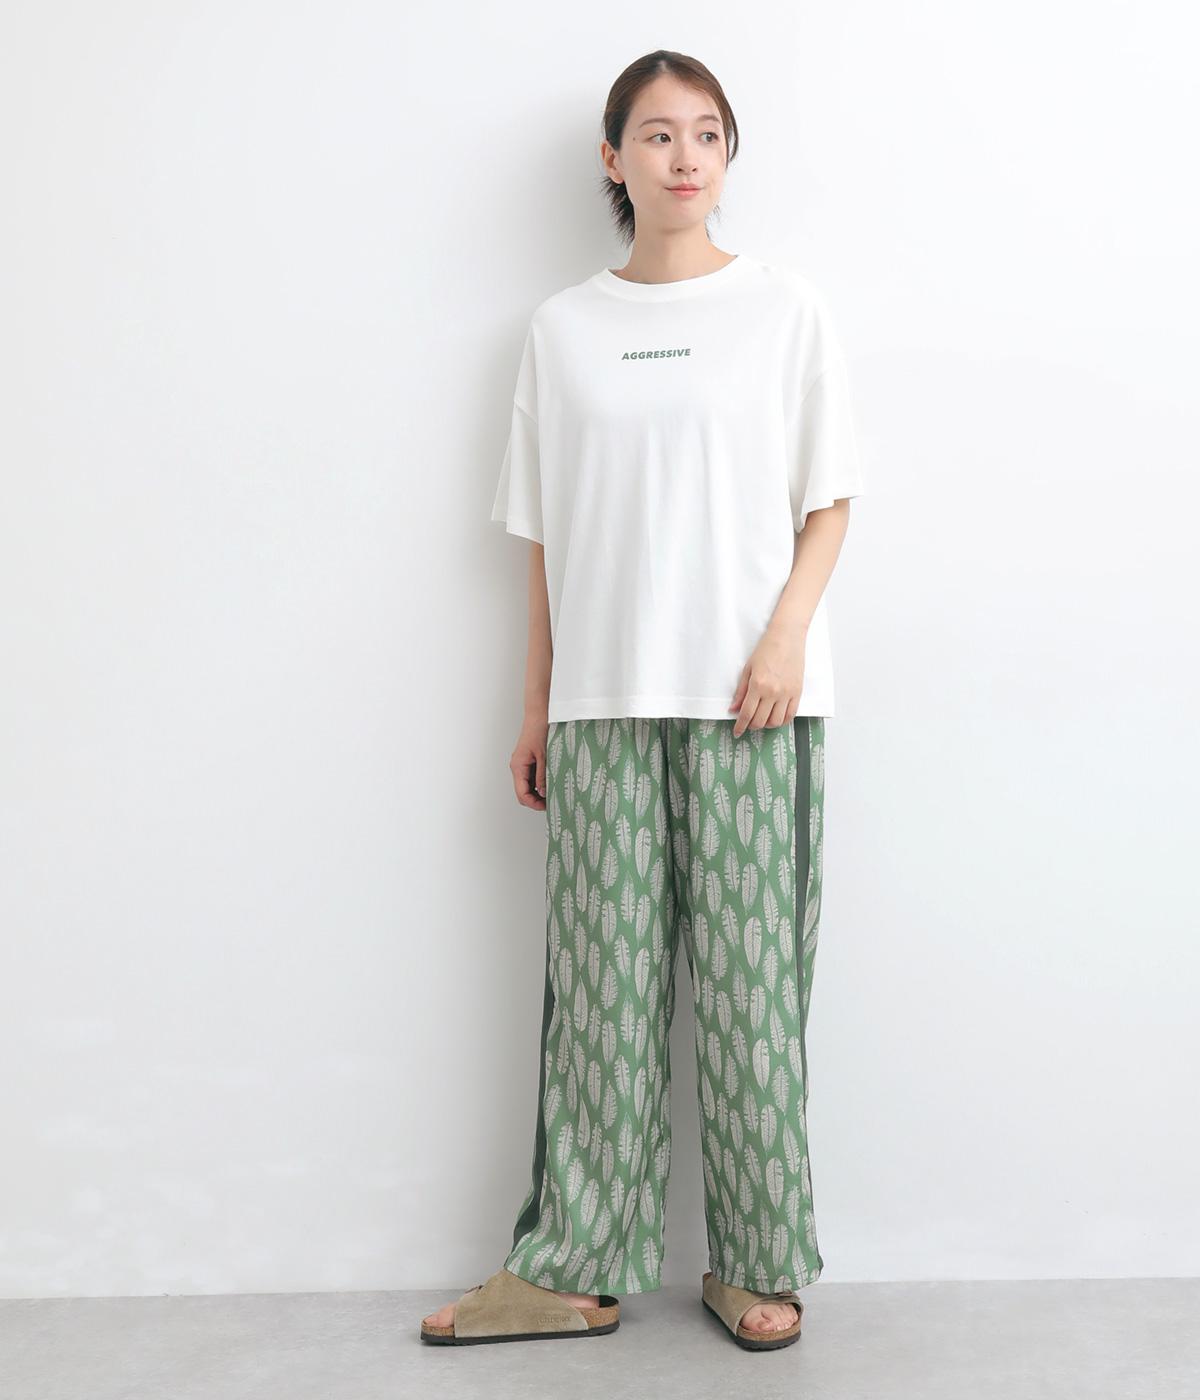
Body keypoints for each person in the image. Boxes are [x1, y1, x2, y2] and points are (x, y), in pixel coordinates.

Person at [421, 48, 866, 1351]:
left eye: (708, 133)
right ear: (613, 158)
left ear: (729, 156)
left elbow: (830, 503)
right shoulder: (562, 330)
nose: (685, 156)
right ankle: (573, 1267)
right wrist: (535, 709)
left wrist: (785, 642)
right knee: (601, 1007)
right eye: (659, 134)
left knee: (750, 1000)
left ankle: (759, 1264)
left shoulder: (785, 311)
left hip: (753, 705)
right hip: (601, 707)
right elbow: (544, 541)